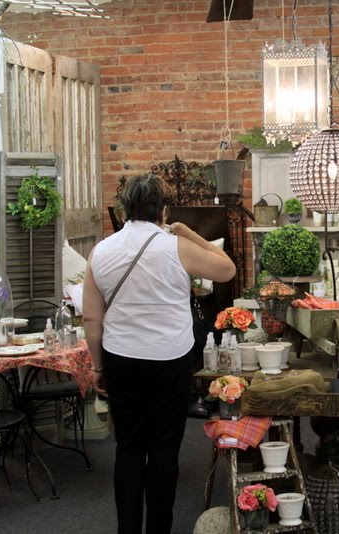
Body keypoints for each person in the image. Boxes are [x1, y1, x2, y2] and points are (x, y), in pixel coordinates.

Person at [83, 174, 236, 534]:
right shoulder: (176, 246)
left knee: (129, 447)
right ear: (163, 211)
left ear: (123, 210)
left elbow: (92, 316)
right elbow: (227, 269)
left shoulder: (102, 250)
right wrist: (192, 235)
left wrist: (98, 366)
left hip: (120, 356)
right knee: (165, 449)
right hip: (171, 358)